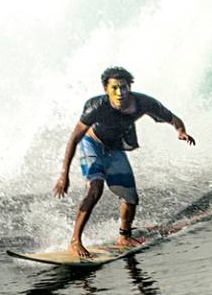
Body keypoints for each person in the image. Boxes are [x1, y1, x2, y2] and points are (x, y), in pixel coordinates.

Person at [53, 67, 194, 257]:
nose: (120, 93)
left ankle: (124, 237)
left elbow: (173, 119)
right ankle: (75, 241)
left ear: (130, 87)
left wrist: (181, 131)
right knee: (95, 188)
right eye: (114, 88)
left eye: (124, 88)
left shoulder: (144, 102)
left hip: (115, 149)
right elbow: (74, 138)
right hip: (92, 144)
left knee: (130, 197)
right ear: (106, 89)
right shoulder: (96, 106)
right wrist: (64, 175)